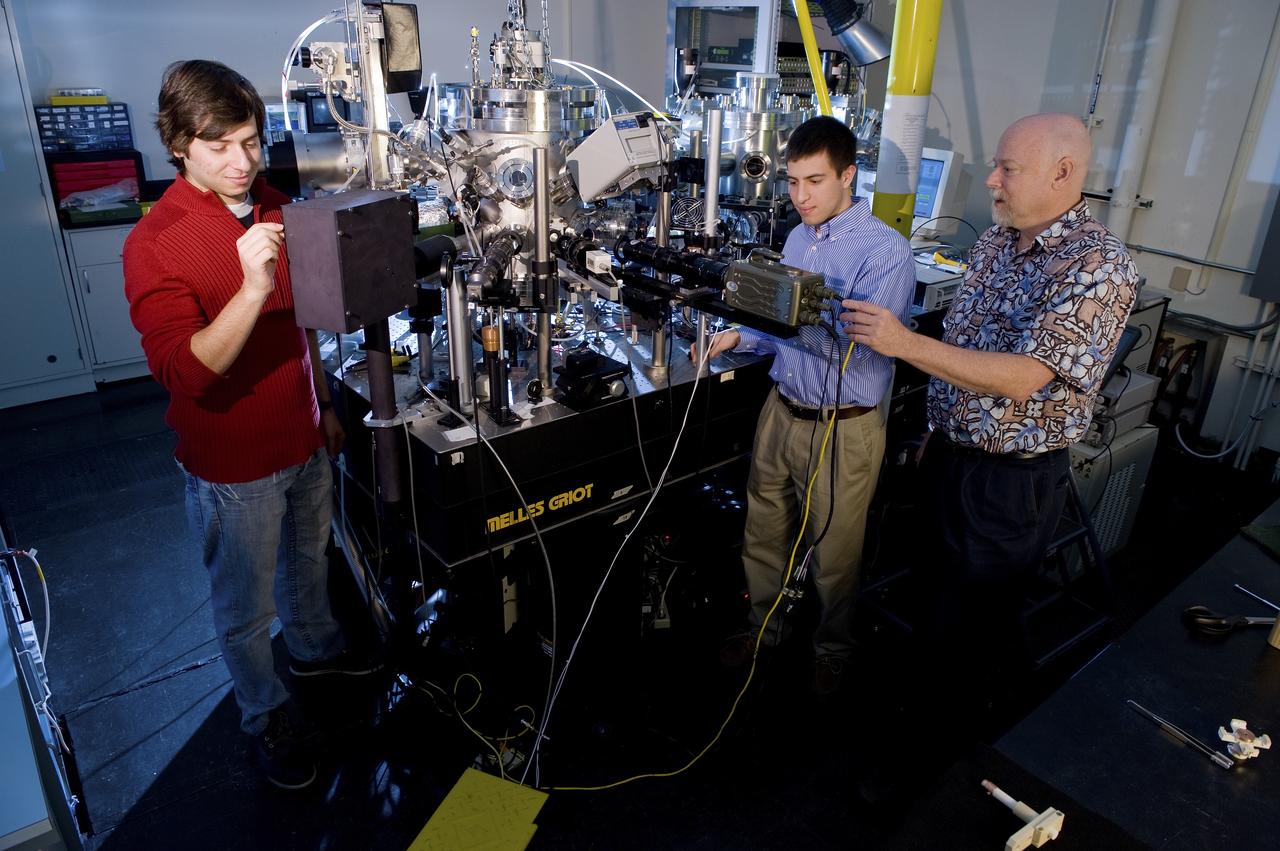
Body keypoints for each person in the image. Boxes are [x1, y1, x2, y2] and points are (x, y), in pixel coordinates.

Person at [124, 60, 377, 790]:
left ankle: (317, 649)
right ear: (178, 144)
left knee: (309, 561)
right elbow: (185, 371)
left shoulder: (273, 202)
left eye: (252, 142)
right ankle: (264, 711)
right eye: (219, 146)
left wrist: (324, 406)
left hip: (303, 438)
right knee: (244, 604)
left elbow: (300, 328)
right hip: (233, 466)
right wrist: (252, 286)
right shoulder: (156, 243)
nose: (241, 163)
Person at [840, 113, 1138, 708]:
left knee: (969, 630)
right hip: (948, 457)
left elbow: (1025, 377)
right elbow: (963, 348)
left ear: (1063, 173)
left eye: (1008, 168)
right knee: (930, 600)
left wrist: (901, 342)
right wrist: (936, 430)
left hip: (1009, 484)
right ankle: (909, 718)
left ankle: (935, 765)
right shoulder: (994, 244)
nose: (991, 181)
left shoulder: (1097, 265)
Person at [694, 116, 915, 694]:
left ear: (849, 174)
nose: (801, 196)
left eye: (814, 181)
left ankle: (832, 649)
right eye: (793, 182)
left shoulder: (887, 253)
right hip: (782, 409)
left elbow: (863, 351)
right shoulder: (796, 238)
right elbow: (778, 325)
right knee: (764, 531)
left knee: (834, 554)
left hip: (843, 428)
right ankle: (764, 629)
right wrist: (744, 334)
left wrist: (783, 316)